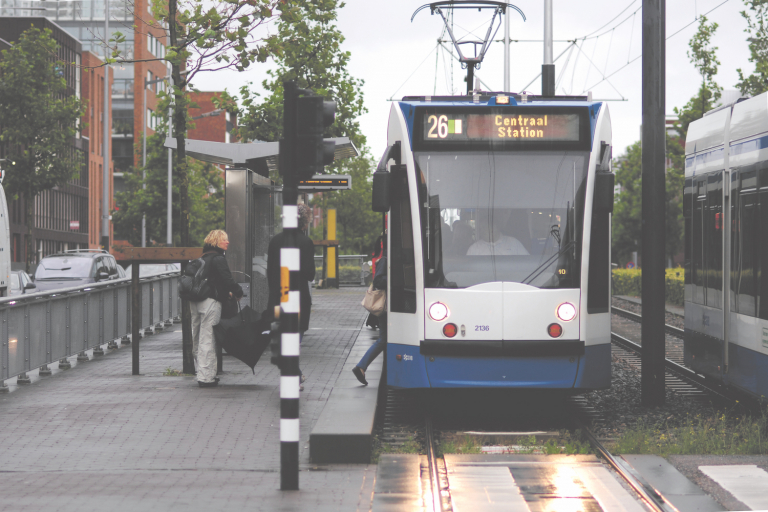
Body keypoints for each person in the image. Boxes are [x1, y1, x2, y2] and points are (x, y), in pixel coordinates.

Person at [267, 204, 316, 389]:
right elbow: (310, 273)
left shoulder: (275, 241)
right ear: (304, 222)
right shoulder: (305, 242)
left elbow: (270, 271)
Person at [191, 230, 243, 388]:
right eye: (224, 240)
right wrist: (237, 291)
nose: (227, 242)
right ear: (215, 242)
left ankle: (201, 372)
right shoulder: (219, 259)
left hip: (195, 301)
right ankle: (206, 378)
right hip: (210, 302)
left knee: (197, 337)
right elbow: (227, 279)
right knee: (208, 338)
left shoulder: (202, 258)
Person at [352, 238, 387, 386]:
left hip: (389, 307)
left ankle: (362, 366)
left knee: (384, 340)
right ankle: (361, 366)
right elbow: (378, 281)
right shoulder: (385, 259)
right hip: (386, 308)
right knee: (383, 340)